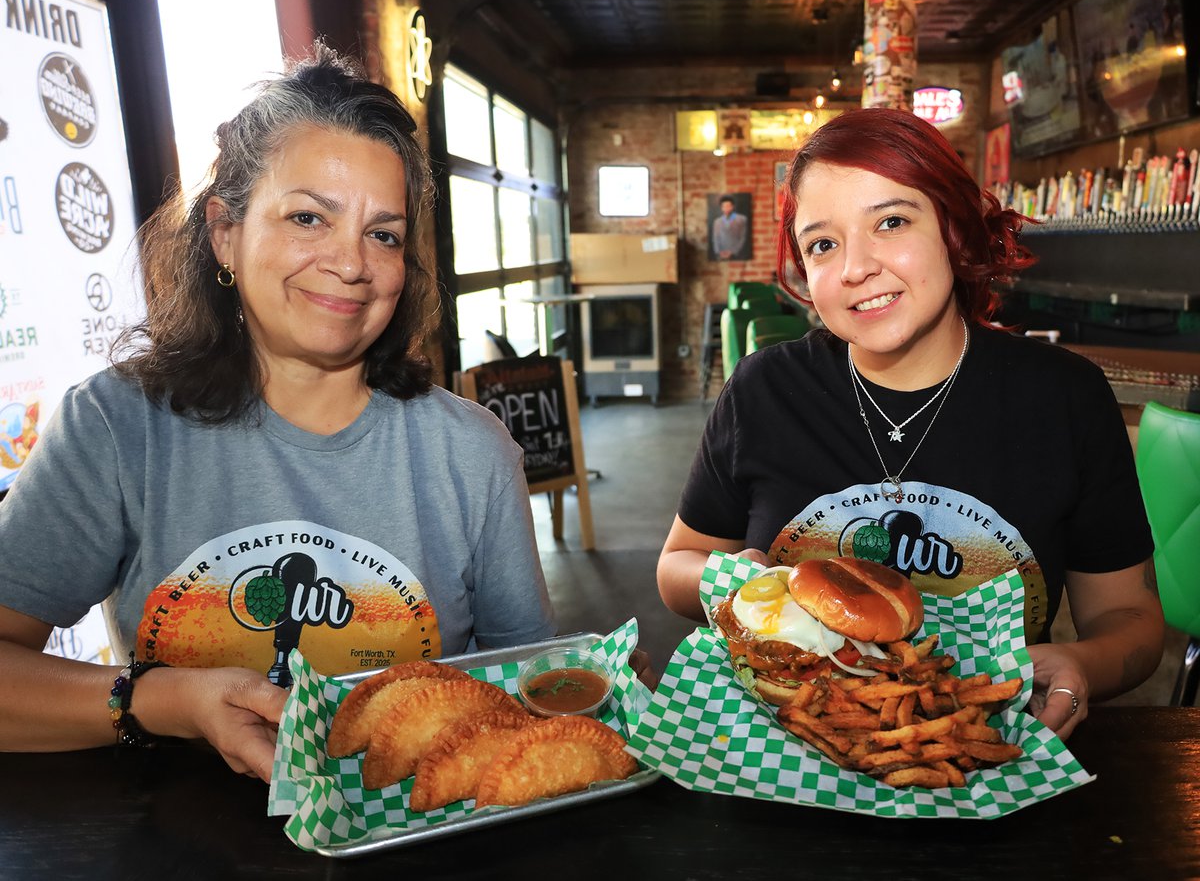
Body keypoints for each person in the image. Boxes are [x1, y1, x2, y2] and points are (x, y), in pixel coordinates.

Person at [0, 46, 555, 780]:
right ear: (225, 232)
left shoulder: (471, 449)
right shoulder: (114, 428)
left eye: (383, 234)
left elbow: (529, 682)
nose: (351, 263)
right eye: (307, 218)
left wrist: (585, 691)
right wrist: (160, 700)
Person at [658, 107, 1164, 739]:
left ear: (954, 230)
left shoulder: (1064, 396)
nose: (854, 268)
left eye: (891, 221)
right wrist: (741, 581)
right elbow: (678, 566)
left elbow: (1130, 616)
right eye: (823, 244)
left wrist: (1083, 665)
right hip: (784, 754)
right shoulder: (765, 389)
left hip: (977, 760)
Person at [711, 194, 748, 260]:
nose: (726, 208)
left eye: (728, 206)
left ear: (732, 207)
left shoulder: (742, 219)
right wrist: (719, 252)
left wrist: (733, 251)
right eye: (724, 206)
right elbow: (716, 238)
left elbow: (743, 237)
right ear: (721, 208)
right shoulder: (717, 222)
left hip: (737, 254)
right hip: (721, 255)